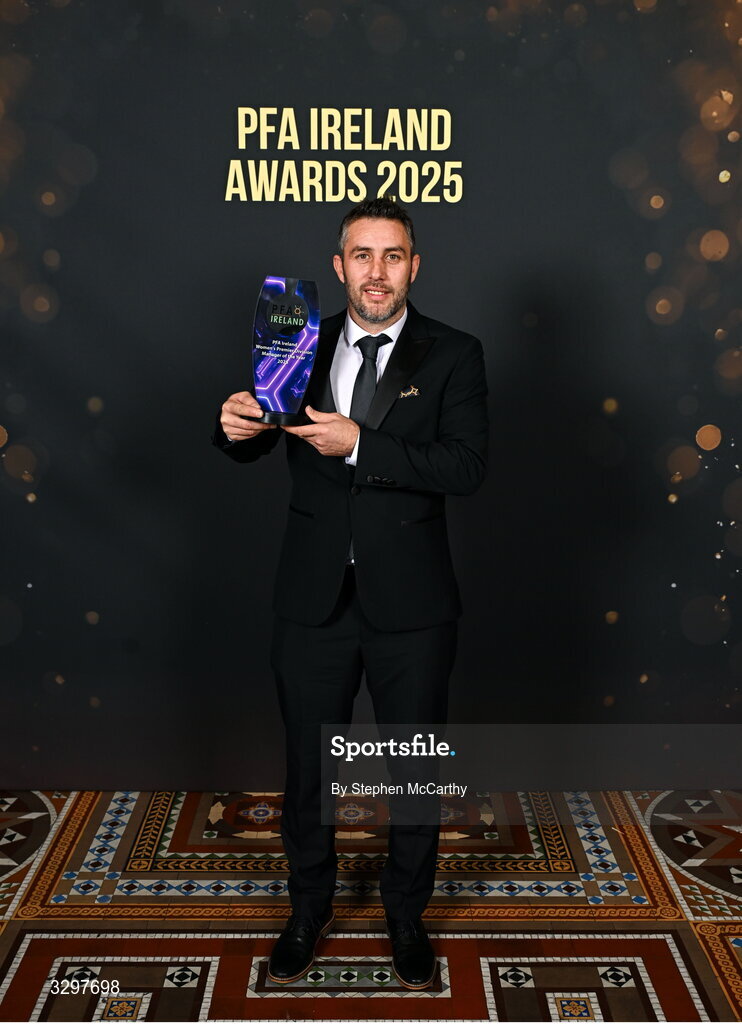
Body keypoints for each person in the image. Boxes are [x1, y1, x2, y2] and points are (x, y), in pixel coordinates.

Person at [213, 197, 488, 990]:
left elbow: (466, 468)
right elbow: (257, 430)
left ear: (414, 264)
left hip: (414, 607)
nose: (376, 272)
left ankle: (407, 917)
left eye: (392, 255)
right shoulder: (296, 338)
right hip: (312, 598)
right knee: (306, 770)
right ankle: (309, 911)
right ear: (338, 266)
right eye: (361, 255)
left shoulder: (455, 354)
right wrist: (232, 428)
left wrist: (363, 443)